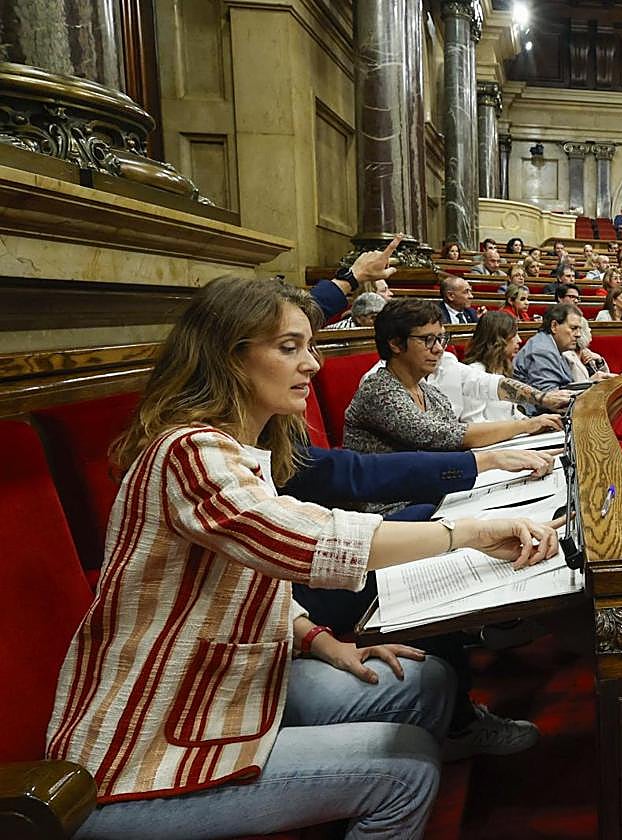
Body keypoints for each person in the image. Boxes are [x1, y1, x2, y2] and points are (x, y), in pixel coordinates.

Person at [48, 276, 562, 839]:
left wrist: (317, 639)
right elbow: (303, 542)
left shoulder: (243, 452)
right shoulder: (187, 452)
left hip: (232, 686)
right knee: (405, 768)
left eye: (310, 347)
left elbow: (246, 581)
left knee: (428, 681)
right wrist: (468, 533)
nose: (313, 365)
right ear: (228, 357)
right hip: (144, 746)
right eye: (289, 348)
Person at [345, 300, 561, 462]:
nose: (438, 348)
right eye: (427, 340)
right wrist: (526, 426)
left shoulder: (429, 391)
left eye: (440, 339)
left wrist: (542, 403)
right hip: (392, 506)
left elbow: (489, 386)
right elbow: (445, 435)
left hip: (432, 489)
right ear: (395, 344)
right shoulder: (379, 389)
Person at [514, 303, 614, 398]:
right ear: (554, 326)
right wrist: (591, 384)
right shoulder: (542, 351)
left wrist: (590, 382)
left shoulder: (551, 345)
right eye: (573, 328)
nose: (578, 334)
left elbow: (563, 388)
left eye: (579, 329)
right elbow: (552, 399)